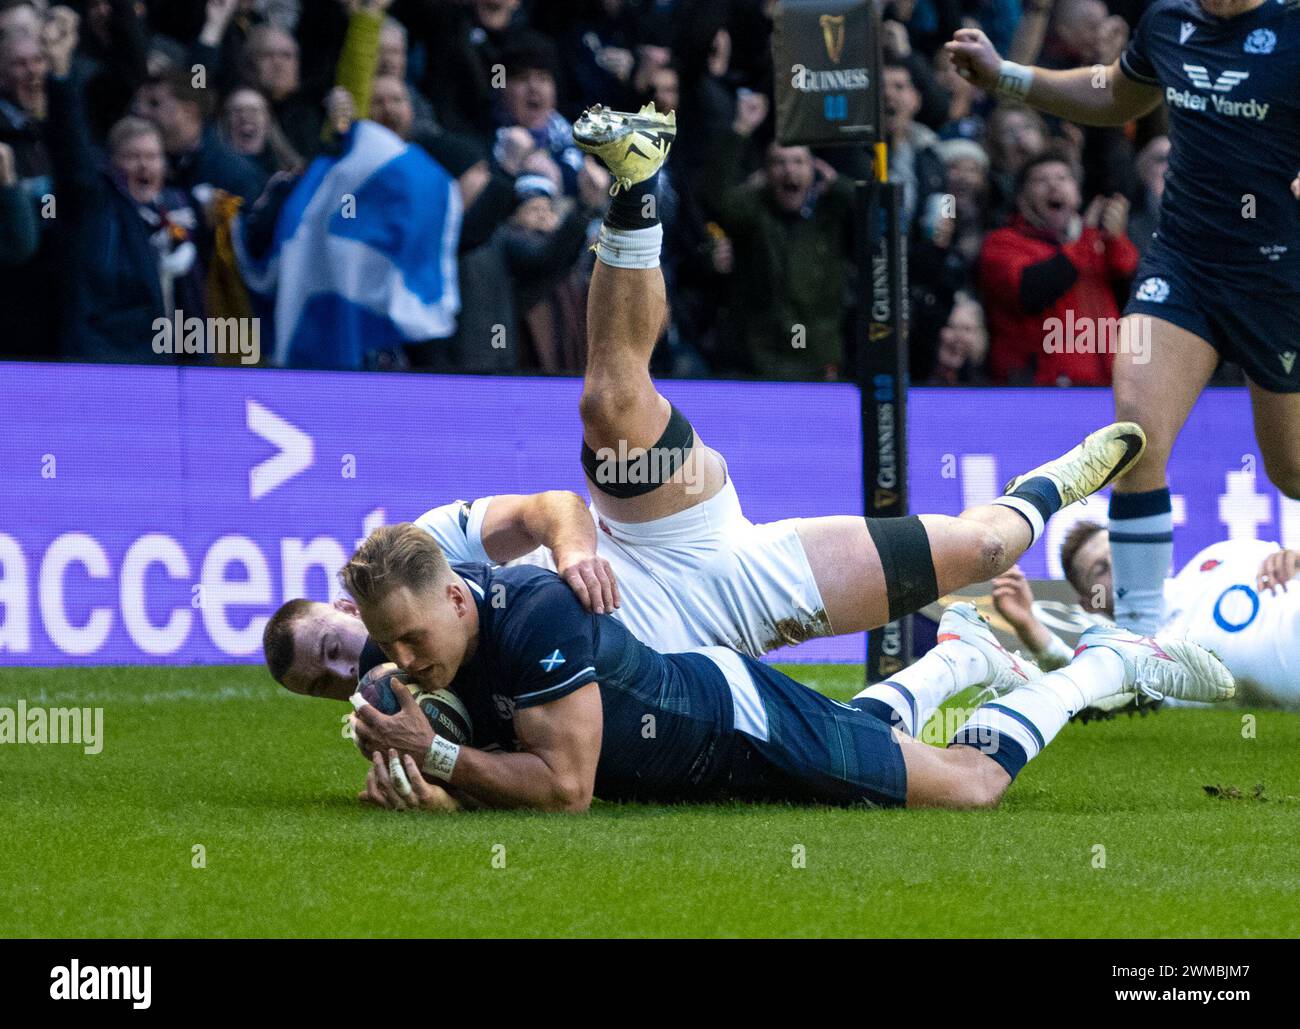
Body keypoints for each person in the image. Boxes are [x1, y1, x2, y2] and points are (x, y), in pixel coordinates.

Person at [264, 101, 1151, 714]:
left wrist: (576, 557)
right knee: (985, 547)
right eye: (327, 681)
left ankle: (635, 187)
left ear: (341, 603)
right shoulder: (400, 713)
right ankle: (1052, 488)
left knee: (611, 404)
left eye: (336, 646)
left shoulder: (418, 560)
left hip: (664, 539)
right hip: (733, 614)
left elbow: (550, 508)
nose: (350, 668)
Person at [342, 524, 1233, 813]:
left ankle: (1100, 666)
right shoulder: (432, 655)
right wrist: (423, 777)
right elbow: (492, 764)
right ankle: (963, 653)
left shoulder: (533, 610)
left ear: (458, 597)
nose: (407, 662)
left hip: (737, 727)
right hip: (711, 732)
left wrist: (440, 759)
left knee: (968, 785)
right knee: (868, 743)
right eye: (393, 647)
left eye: (415, 640)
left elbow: (565, 786)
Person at [946, 0, 1300, 644]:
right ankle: (1138, 645)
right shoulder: (1168, 22)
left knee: (1292, 469)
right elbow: (1114, 93)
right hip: (1185, 265)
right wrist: (1005, 76)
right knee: (1135, 431)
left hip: (1279, 278)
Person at [994, 524, 1300, 710]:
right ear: (1090, 604)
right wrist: (1029, 625)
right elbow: (1085, 682)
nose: (1120, 564)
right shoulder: (1148, 657)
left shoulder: (1220, 554)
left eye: (1120, 549)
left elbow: (1290, 563)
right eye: (1101, 569)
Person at [979, 148, 1138, 385]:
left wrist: (1116, 241)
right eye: (1041, 180)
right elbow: (1032, 291)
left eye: (1063, 178)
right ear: (1022, 197)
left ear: (1077, 194)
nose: (1054, 186)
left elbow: (1133, 291)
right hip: (1039, 391)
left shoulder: (1096, 243)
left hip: (1105, 388)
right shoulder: (1002, 243)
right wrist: (1087, 238)